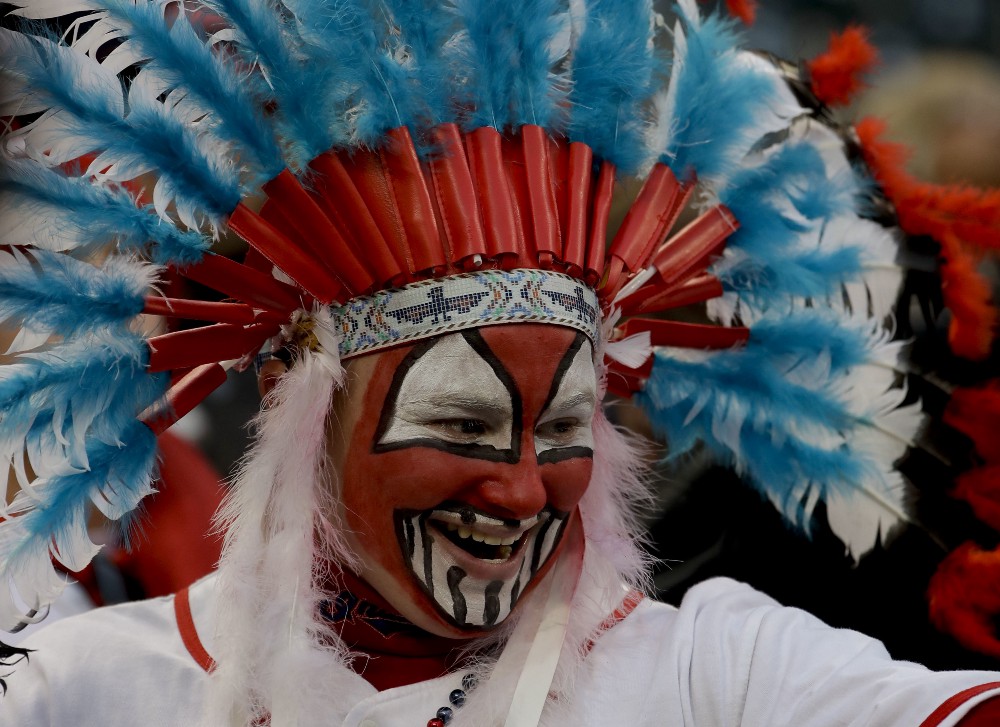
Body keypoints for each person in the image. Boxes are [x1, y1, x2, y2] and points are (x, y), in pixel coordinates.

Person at [1, 1, 999, 725]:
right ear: (298, 393)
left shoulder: (711, 666)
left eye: (564, 431)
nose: (522, 487)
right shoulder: (77, 688)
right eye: (462, 423)